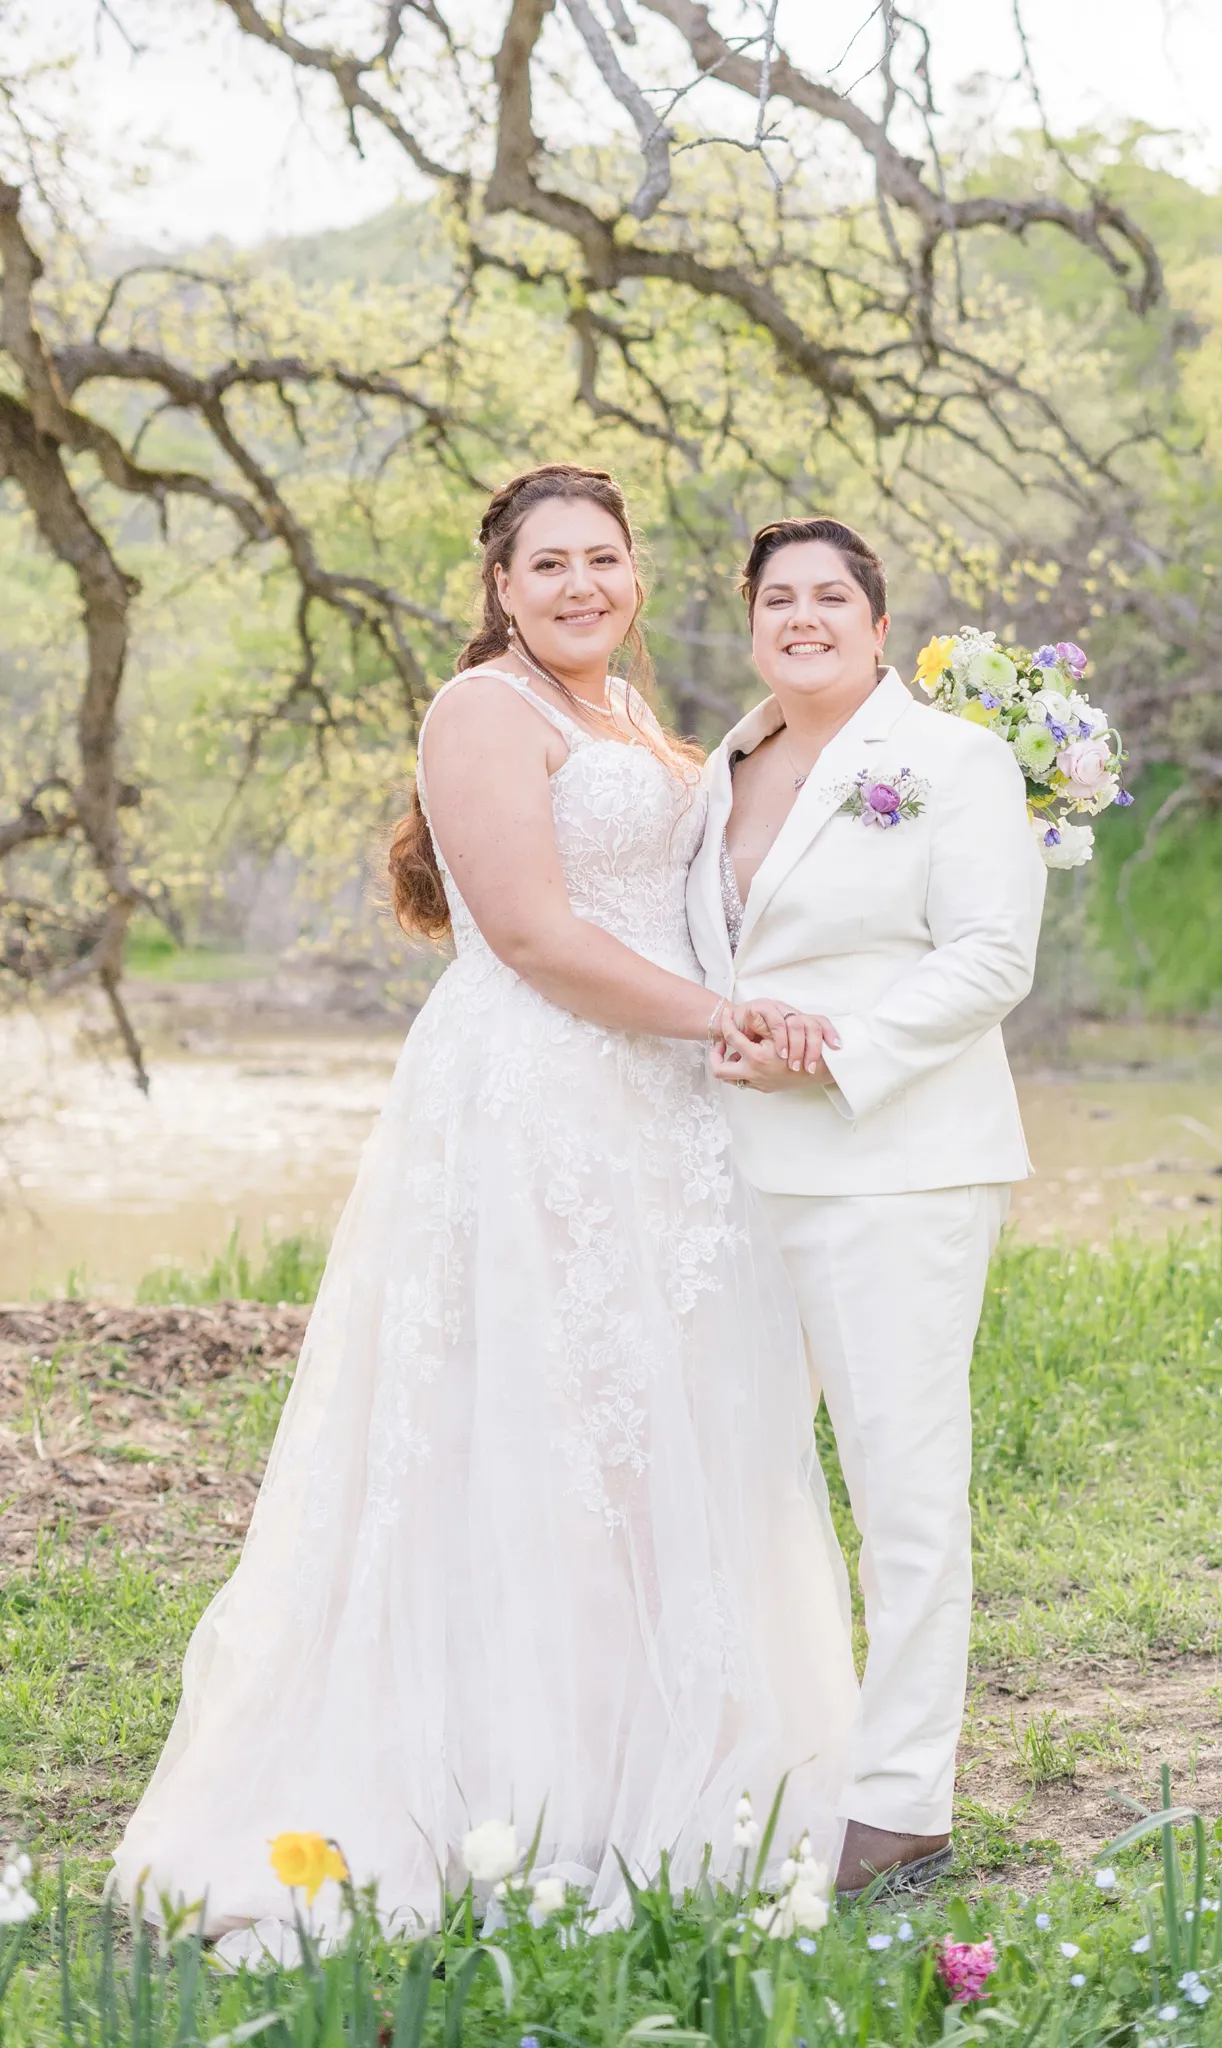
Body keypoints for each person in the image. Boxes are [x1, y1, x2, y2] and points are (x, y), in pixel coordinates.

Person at [111, 467, 858, 1957]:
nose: (581, 584)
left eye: (605, 558)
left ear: (638, 574)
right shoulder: (481, 715)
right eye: (549, 566)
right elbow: (525, 933)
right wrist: (722, 1019)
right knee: (540, 1438)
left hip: (663, 1115)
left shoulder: (635, 721)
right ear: (501, 590)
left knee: (659, 1442)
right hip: (543, 1109)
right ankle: (518, 1794)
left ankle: (651, 1771)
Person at [686, 517, 1046, 1897]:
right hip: (731, 1167)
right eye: (778, 597)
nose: (803, 615)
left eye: (830, 595)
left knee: (902, 1486)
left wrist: (830, 1050)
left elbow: (988, 958)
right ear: (750, 623)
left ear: (877, 626)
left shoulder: (949, 761)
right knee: (737, 1473)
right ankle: (759, 1754)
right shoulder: (716, 768)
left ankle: (900, 1801)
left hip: (894, 1162)